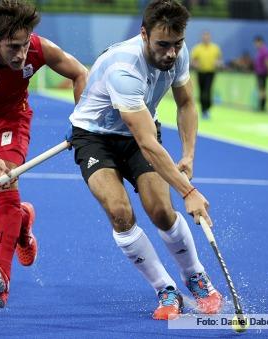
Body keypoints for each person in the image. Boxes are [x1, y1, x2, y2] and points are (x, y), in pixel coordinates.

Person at [69, 0, 222, 320]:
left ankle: (195, 275)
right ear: (144, 34)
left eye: (177, 44)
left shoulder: (178, 55)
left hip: (140, 132)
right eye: (162, 44)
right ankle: (165, 289)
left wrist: (188, 156)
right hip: (95, 138)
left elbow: (186, 104)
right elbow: (146, 142)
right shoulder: (124, 68)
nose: (170, 52)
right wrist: (189, 191)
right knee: (120, 212)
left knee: (162, 212)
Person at [0, 0, 87, 308]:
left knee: (7, 181)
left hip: (13, 119)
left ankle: (1, 278)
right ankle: (23, 223)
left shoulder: (39, 48)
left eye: (24, 45)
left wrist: (82, 121)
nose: (21, 54)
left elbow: (81, 74)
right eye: (13, 47)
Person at [191, 31, 222, 119]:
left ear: (210, 38)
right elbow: (194, 60)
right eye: (204, 37)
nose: (206, 38)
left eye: (207, 37)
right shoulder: (197, 48)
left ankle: (207, 107)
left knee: (208, 90)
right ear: (202, 38)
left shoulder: (215, 48)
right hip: (201, 72)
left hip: (210, 72)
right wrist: (195, 64)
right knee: (202, 91)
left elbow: (219, 59)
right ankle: (203, 109)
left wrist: (218, 63)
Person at [253, 35, 268, 111]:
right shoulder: (260, 50)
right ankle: (261, 105)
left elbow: (267, 62)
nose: (255, 45)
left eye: (256, 43)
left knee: (262, 89)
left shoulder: (264, 50)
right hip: (259, 72)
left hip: (263, 73)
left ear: (260, 42)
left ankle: (262, 106)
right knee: (261, 89)